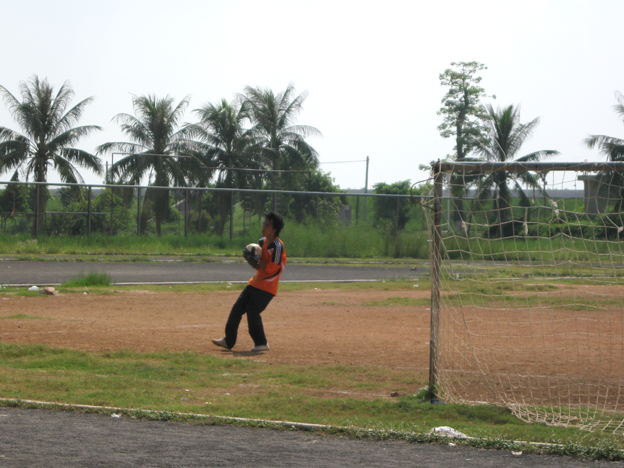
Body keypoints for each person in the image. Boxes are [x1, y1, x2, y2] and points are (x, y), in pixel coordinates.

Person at [212, 211, 286, 352]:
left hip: (268, 286)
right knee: (237, 309)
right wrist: (251, 260)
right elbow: (258, 266)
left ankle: (261, 343)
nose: (264, 227)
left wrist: (257, 262)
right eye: (264, 223)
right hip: (255, 282)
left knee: (253, 311)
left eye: (268, 225)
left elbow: (274, 268)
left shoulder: (277, 246)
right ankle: (228, 341)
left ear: (275, 229)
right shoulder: (261, 242)